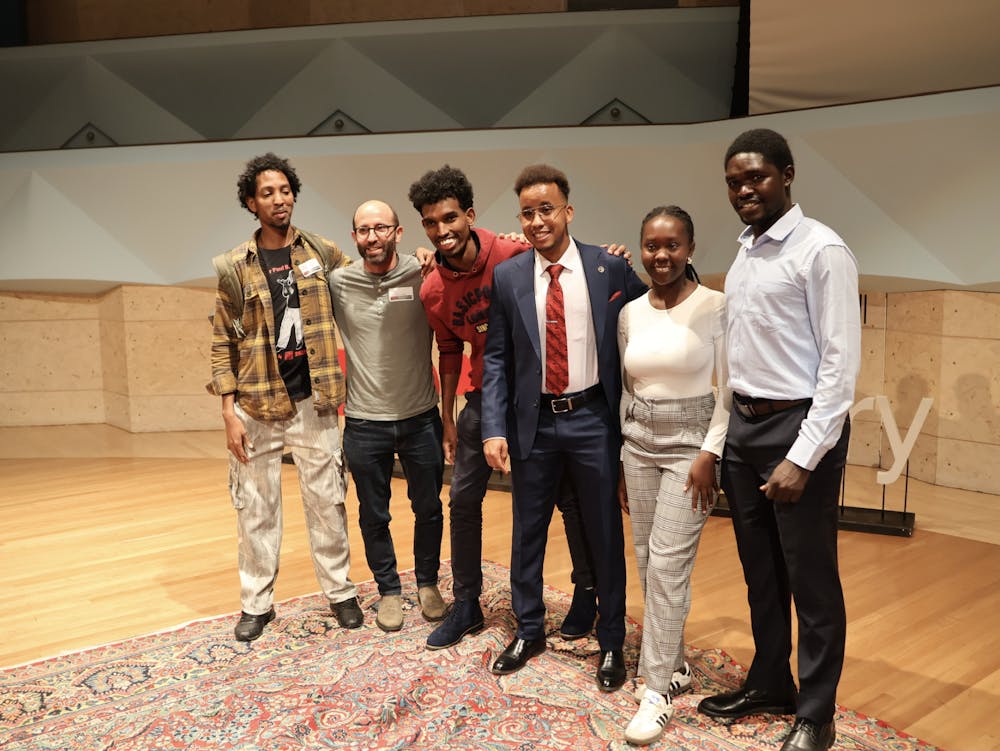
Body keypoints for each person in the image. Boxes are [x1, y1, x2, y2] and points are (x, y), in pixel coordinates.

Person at [697, 129, 860, 751]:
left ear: (787, 175)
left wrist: (803, 455)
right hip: (745, 428)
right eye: (734, 181)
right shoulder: (745, 253)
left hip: (799, 429)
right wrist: (726, 438)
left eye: (756, 177)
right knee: (761, 574)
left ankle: (817, 712)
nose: (744, 190)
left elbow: (840, 369)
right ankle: (770, 682)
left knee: (812, 578)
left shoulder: (822, 250)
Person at [407, 165, 603, 651]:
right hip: (485, 403)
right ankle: (467, 603)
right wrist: (448, 417)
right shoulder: (432, 288)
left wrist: (613, 252)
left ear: (470, 215)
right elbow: (450, 350)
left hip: (540, 403)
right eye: (431, 223)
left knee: (569, 502)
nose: (442, 231)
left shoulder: (515, 251)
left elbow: (571, 269)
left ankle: (586, 594)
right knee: (463, 501)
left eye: (450, 218)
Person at [481, 164, 647, 690]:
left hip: (593, 420)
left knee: (603, 533)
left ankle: (612, 641)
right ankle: (529, 630)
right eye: (527, 213)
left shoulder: (608, 268)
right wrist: (493, 427)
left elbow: (662, 303)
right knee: (527, 532)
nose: (536, 221)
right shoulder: (508, 276)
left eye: (546, 209)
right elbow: (495, 359)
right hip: (533, 425)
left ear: (568, 211)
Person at [208, 152, 362, 641]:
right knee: (255, 511)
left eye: (285, 190)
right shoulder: (235, 267)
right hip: (256, 407)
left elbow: (366, 281)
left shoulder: (323, 251)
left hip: (315, 402)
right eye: (267, 193)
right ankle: (257, 603)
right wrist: (228, 413)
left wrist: (416, 259)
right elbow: (222, 343)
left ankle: (340, 593)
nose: (279, 199)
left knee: (328, 504)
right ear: (251, 203)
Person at [617, 206, 730, 745]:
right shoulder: (631, 312)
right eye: (651, 245)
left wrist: (711, 451)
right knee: (647, 561)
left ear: (689, 249)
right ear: (640, 248)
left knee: (667, 566)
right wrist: (622, 454)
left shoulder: (716, 306)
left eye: (672, 245)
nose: (660, 256)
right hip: (638, 442)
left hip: (692, 445)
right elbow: (627, 388)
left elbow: (729, 388)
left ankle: (656, 691)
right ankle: (677, 665)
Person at [327, 200, 446, 633]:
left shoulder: (425, 271)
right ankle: (390, 591)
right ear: (354, 236)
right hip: (362, 420)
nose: (372, 237)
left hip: (420, 417)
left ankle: (429, 582)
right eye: (363, 230)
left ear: (398, 232)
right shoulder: (338, 282)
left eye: (381, 228)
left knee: (429, 507)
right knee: (373, 514)